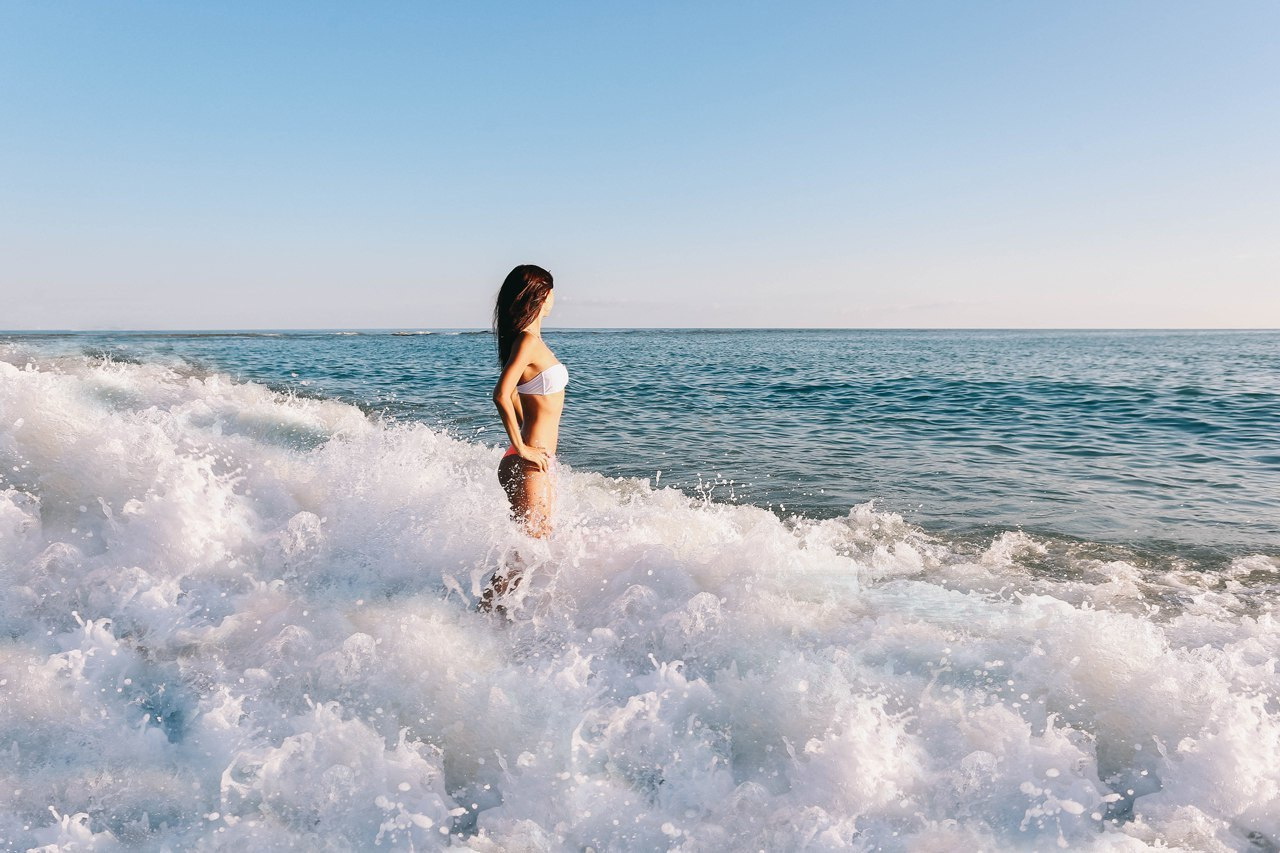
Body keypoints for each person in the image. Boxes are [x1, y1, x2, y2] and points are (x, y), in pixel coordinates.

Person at [481, 264, 567, 610]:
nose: (555, 299)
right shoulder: (528, 342)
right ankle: (483, 615)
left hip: (536, 461)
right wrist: (522, 446)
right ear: (541, 296)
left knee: (533, 547)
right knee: (527, 552)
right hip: (527, 461)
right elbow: (501, 394)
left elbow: (517, 398)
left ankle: (499, 616)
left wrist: (528, 442)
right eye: (552, 292)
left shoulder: (531, 341)